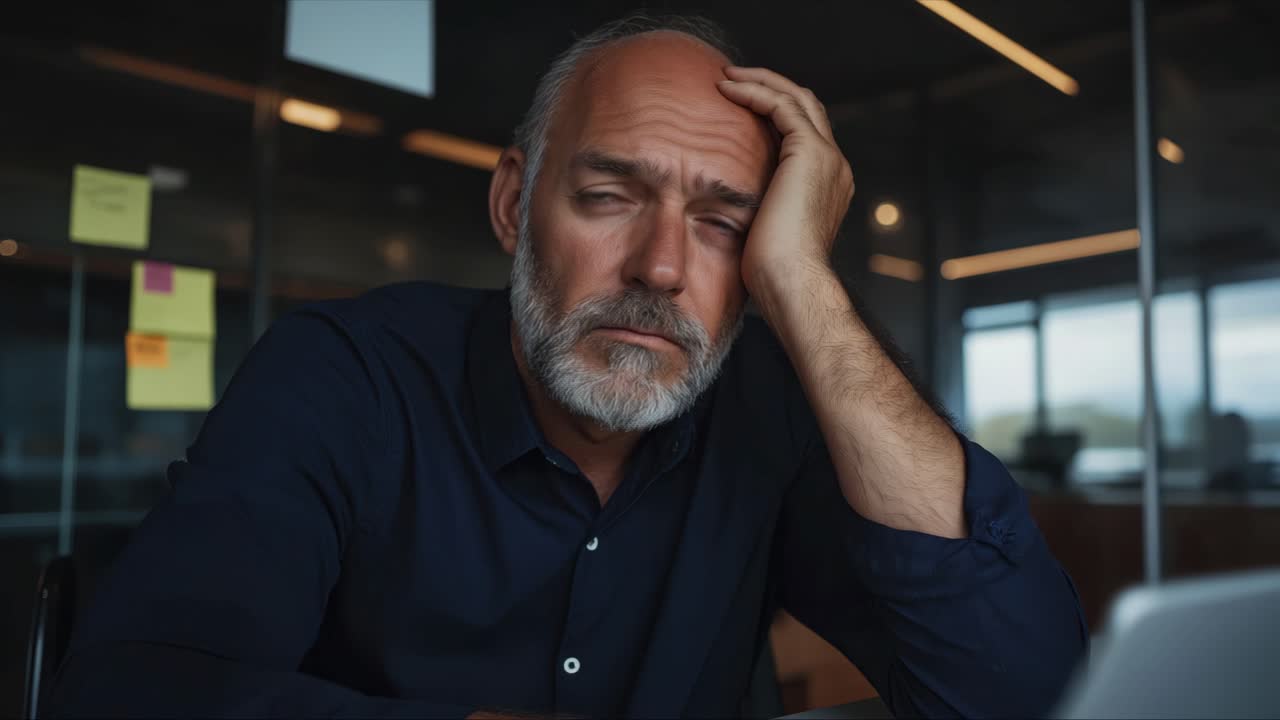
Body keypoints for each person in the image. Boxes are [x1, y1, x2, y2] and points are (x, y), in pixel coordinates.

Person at [50, 14, 1087, 719]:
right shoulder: (345, 378)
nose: (662, 267)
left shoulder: (764, 413)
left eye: (725, 224)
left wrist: (803, 283)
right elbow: (136, 688)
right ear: (513, 205)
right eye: (608, 196)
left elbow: (1021, 689)